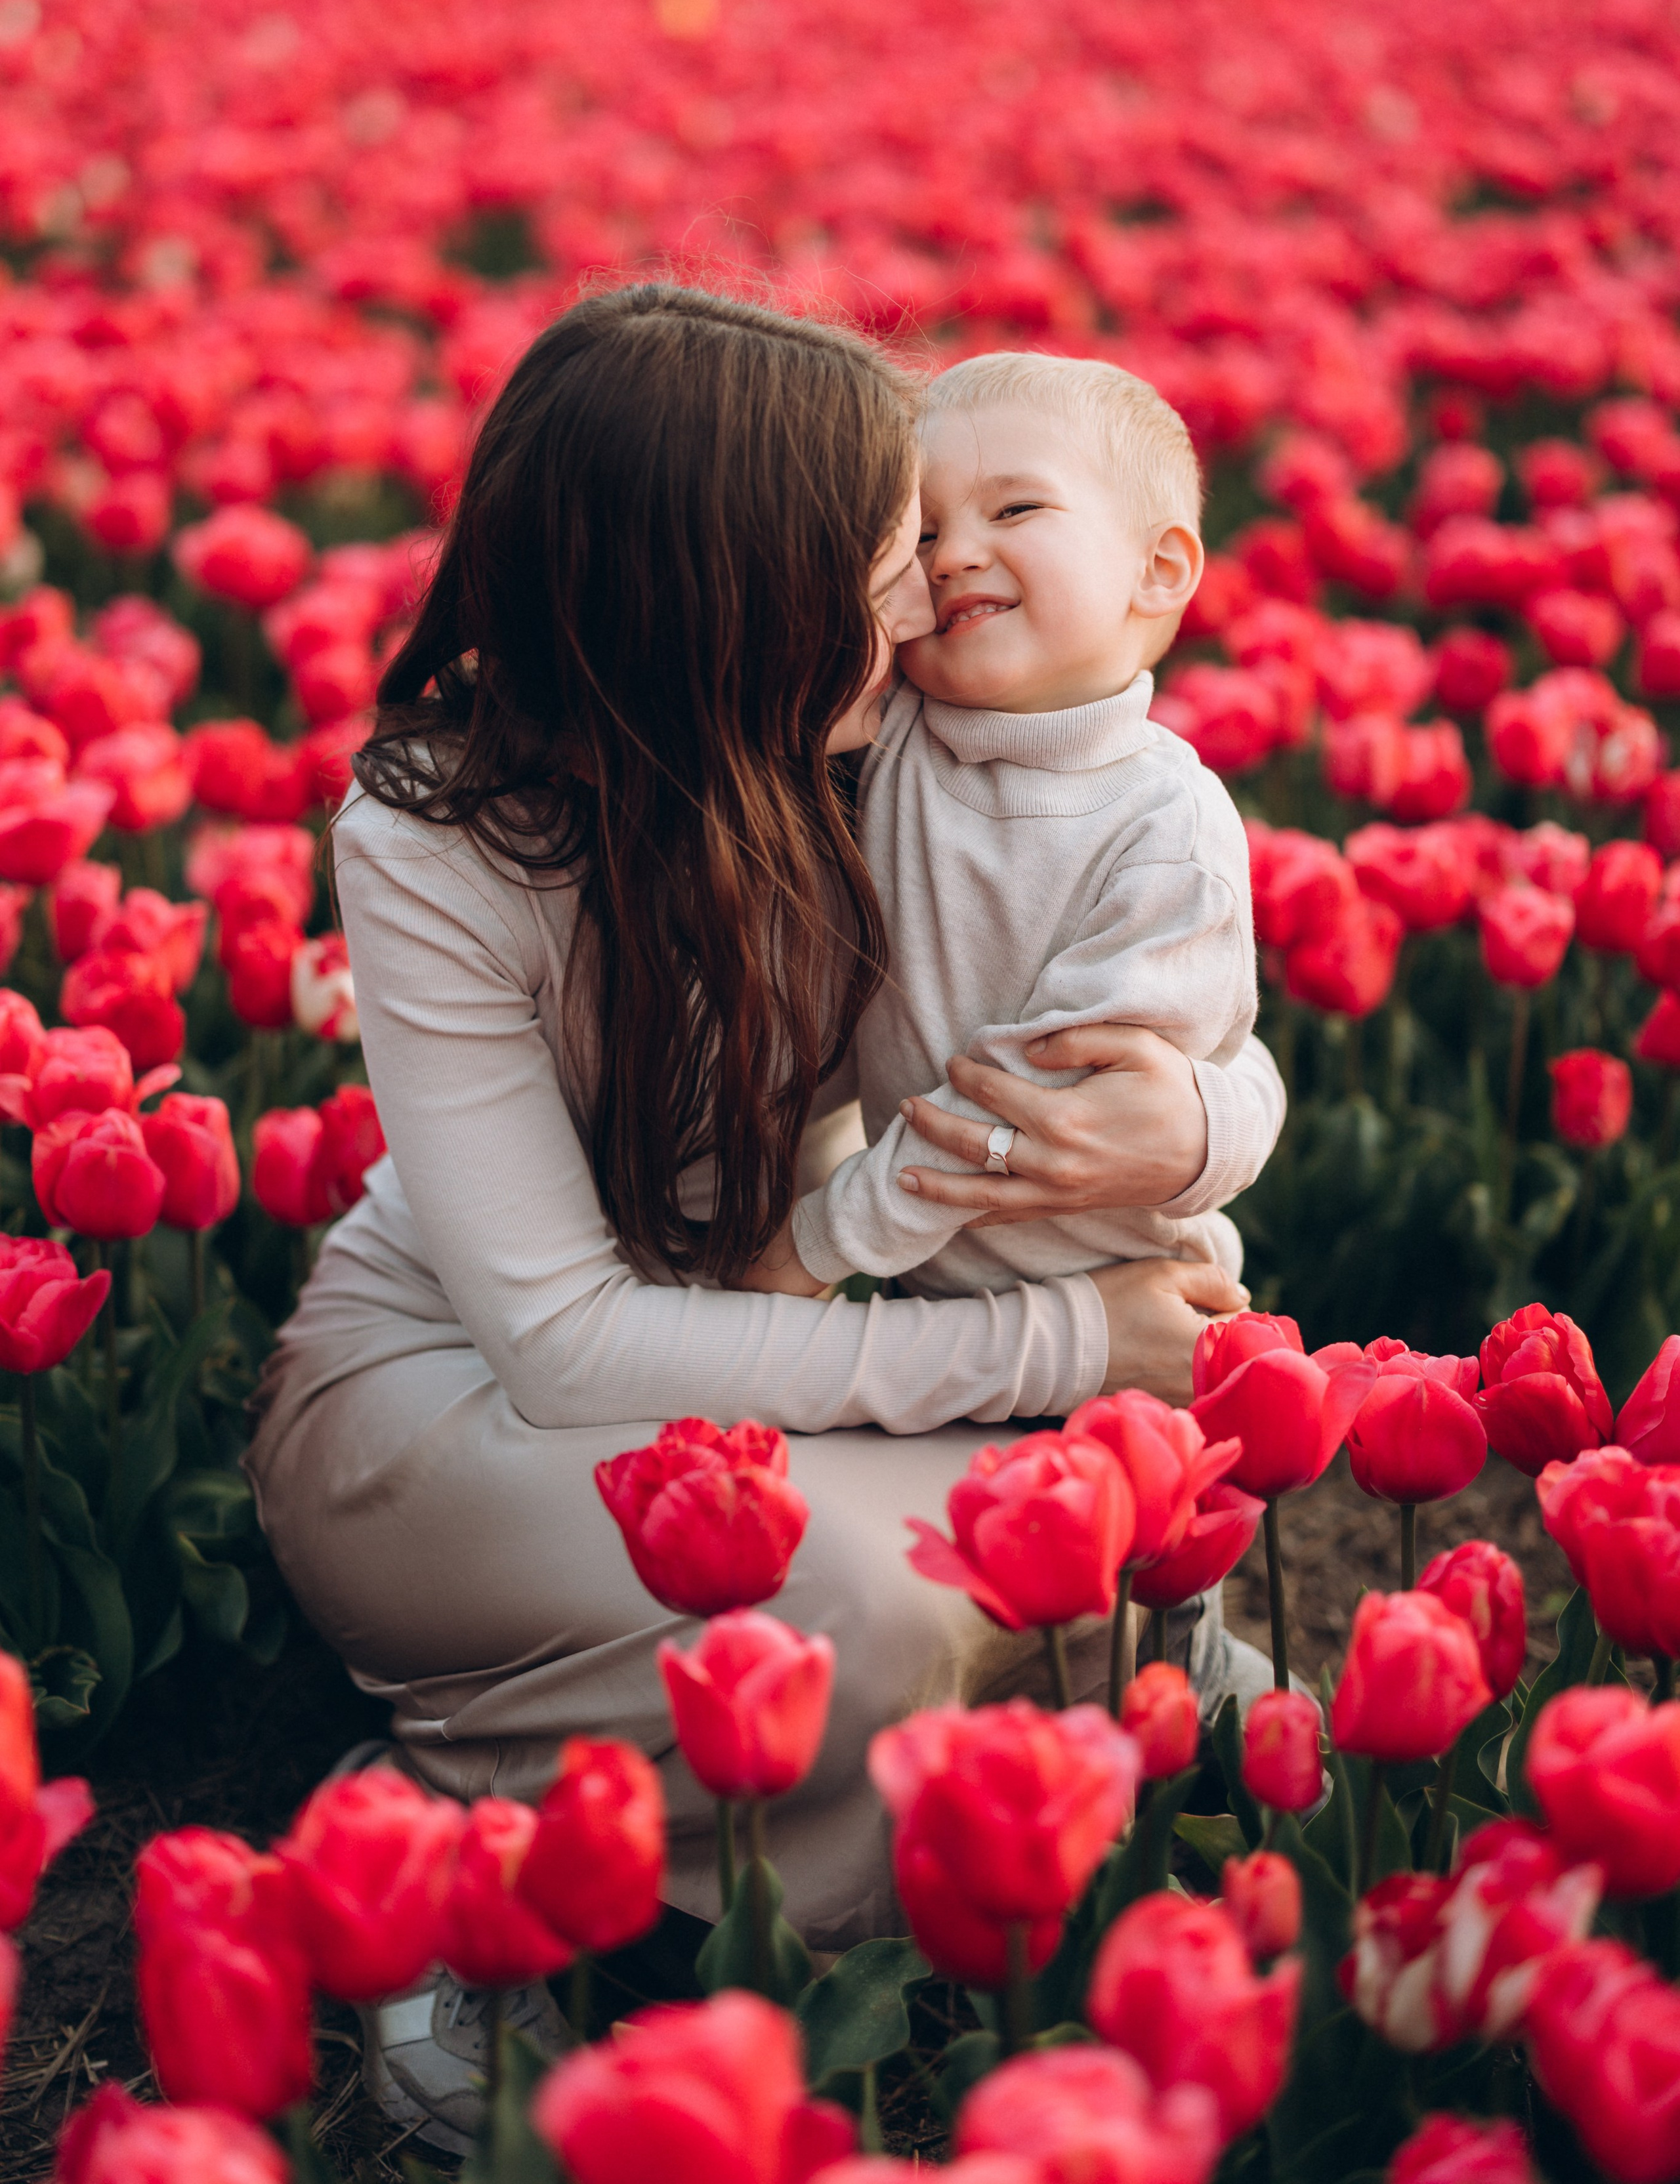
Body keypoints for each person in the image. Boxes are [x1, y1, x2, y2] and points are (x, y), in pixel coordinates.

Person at [245, 285, 1283, 2148]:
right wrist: (1054, 1340)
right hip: (469, 1391)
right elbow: (564, 1339)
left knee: (1071, 1531)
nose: (928, 601)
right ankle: (460, 1846)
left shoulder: (858, 750)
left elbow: (1144, 941)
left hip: (767, 1348)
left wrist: (1207, 1116)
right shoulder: (434, 840)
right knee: (865, 1614)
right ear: (730, 607)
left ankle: (667, 1799)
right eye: (886, 566)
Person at [747, 350, 1256, 1307]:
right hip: (928, 1289)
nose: (950, 558)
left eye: (1015, 510)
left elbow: (1037, 1097)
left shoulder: (1166, 831)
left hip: (1129, 1300)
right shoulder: (888, 737)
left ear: (1159, 569)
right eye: (922, 533)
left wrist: (819, 1242)